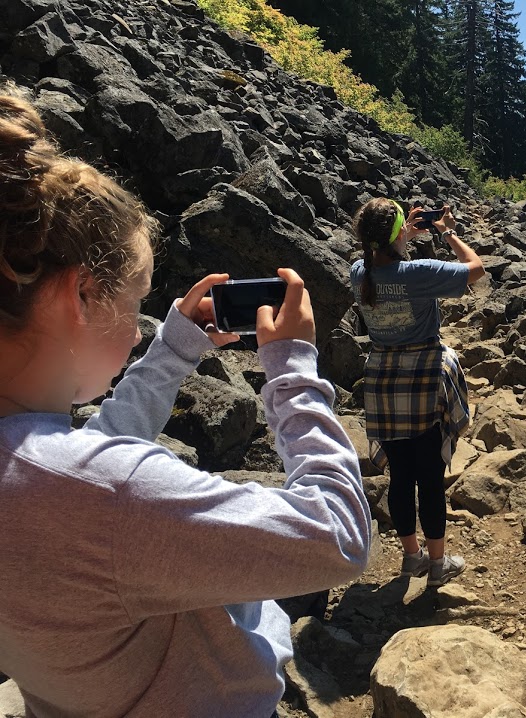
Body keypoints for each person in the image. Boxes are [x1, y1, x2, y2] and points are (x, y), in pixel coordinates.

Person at [0, 91, 371, 716]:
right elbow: (337, 536)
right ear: (81, 295)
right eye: (136, 300)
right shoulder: (108, 496)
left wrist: (173, 350)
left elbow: (77, 467)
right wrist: (292, 371)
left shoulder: (49, 474)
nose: (138, 329)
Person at [350, 198, 485, 587]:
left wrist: (403, 233)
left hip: (382, 384)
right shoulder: (418, 273)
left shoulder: (358, 272)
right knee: (429, 479)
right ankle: (438, 566)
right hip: (422, 382)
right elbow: (476, 269)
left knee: (400, 477)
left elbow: (381, 260)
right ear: (394, 235)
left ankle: (412, 558)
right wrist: (448, 232)